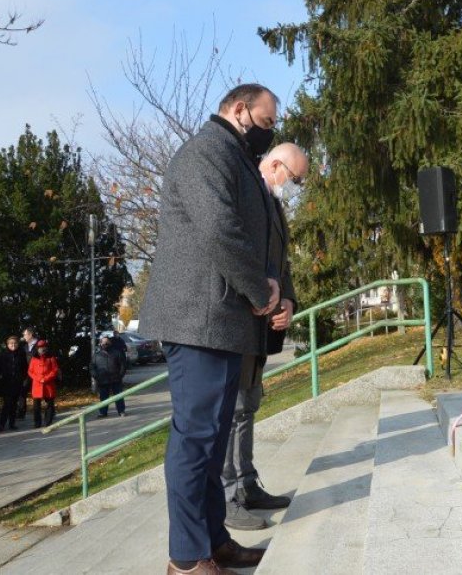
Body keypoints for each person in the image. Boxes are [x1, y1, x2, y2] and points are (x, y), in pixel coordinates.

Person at [139, 83, 280, 575]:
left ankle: (213, 541)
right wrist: (262, 294)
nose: (270, 132)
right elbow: (221, 229)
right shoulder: (205, 151)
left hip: (221, 321)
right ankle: (184, 557)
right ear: (239, 110)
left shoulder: (233, 154)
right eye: (266, 122)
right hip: (198, 319)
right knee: (195, 440)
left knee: (213, 440)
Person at [222, 143, 307, 530]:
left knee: (249, 404)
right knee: (232, 409)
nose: (296, 186)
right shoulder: (241, 193)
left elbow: (280, 263)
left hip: (261, 322)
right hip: (236, 317)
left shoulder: (273, 203)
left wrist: (286, 299)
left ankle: (247, 482)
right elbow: (231, 253)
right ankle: (227, 496)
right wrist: (261, 295)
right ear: (274, 165)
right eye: (295, 178)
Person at [0, 336, 26, 431]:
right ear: (7, 345)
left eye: (15, 343)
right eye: (11, 343)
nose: (13, 345)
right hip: (6, 383)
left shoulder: (21, 354)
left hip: (17, 383)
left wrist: (22, 378)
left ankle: (12, 424)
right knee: (7, 404)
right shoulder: (3, 354)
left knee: (14, 405)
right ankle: (2, 424)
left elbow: (24, 367)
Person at [91, 336, 127, 418]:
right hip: (103, 380)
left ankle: (121, 411)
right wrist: (96, 376)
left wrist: (120, 375)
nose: (105, 345)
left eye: (107, 343)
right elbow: (92, 367)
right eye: (103, 343)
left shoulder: (117, 353)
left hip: (116, 379)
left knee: (118, 396)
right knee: (103, 397)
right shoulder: (96, 355)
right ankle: (103, 412)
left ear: (110, 343)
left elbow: (123, 365)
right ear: (100, 344)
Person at [28, 340, 58, 428]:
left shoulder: (51, 358)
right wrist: (38, 379)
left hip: (48, 384)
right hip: (37, 384)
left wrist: (46, 378)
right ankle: (37, 423)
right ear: (37, 349)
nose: (42, 349)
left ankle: (48, 421)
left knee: (50, 403)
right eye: (40, 348)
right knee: (36, 405)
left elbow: (55, 370)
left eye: (44, 347)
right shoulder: (34, 359)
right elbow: (30, 371)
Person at [17, 327, 38, 420]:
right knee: (22, 391)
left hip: (38, 373)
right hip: (26, 373)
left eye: (25, 334)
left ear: (30, 334)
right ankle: (21, 413)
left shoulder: (39, 345)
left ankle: (46, 411)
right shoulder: (24, 346)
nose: (23, 336)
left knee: (39, 393)